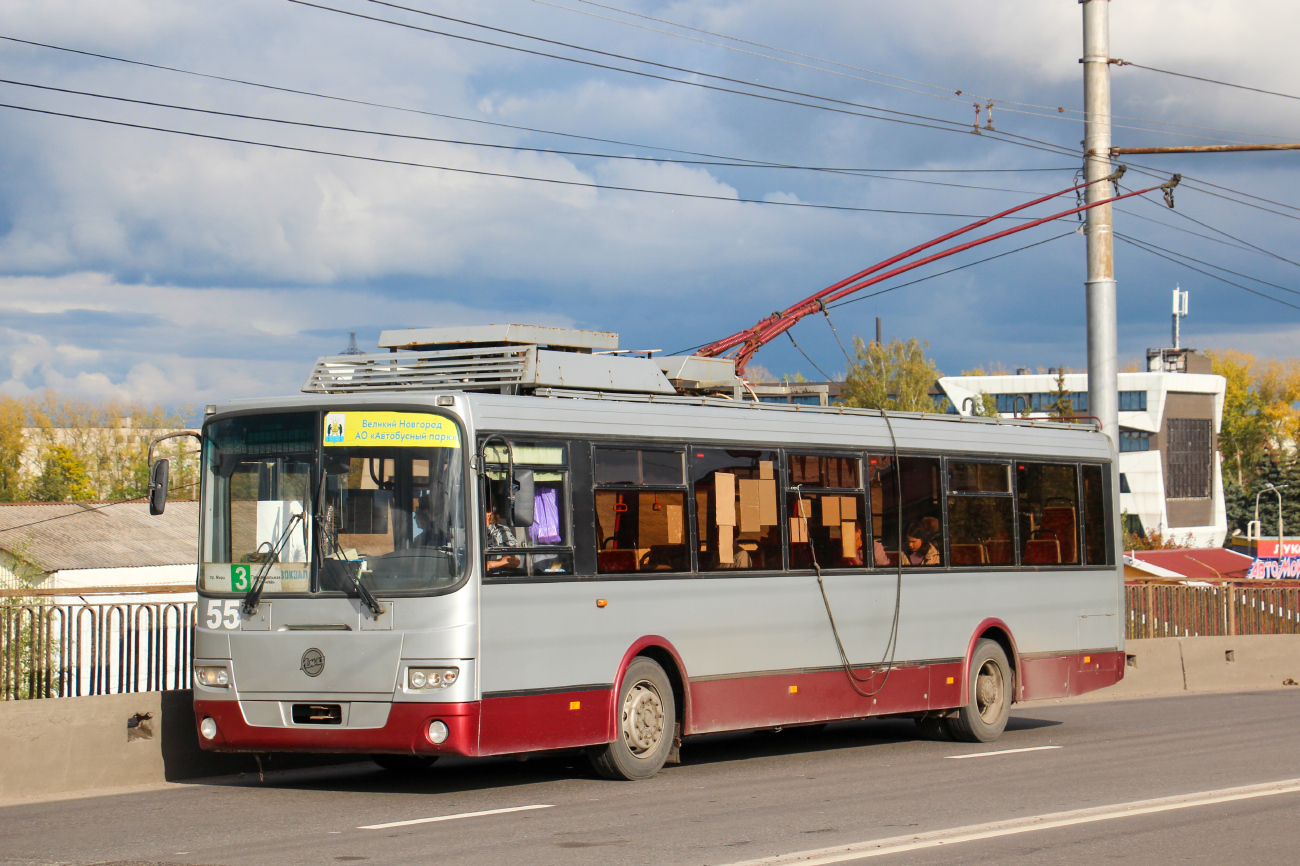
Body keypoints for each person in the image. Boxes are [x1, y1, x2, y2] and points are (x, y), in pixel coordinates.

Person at [485, 503, 522, 571]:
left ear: (489, 512)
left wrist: (490, 564)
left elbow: (515, 560)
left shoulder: (501, 531)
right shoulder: (466, 533)